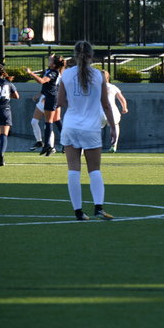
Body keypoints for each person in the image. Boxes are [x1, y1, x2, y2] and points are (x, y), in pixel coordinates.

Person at [58, 41, 116, 221]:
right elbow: (106, 104)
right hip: (91, 128)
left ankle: (78, 212)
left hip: (70, 126)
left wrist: (75, 106)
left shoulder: (66, 74)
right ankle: (98, 208)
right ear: (91, 56)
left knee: (73, 170)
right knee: (94, 170)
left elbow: (60, 102)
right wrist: (113, 127)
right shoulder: (98, 75)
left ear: (75, 55)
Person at [26, 55, 65, 156]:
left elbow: (42, 81)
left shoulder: (53, 72)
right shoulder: (51, 70)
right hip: (49, 96)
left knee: (49, 122)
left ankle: (48, 145)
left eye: (51, 60)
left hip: (51, 98)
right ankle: (48, 144)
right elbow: (47, 86)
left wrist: (31, 73)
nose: (49, 60)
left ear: (54, 64)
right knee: (53, 121)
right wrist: (40, 94)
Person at [102, 70, 128, 153]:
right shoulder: (113, 87)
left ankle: (85, 148)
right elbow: (122, 98)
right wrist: (124, 108)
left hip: (100, 112)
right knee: (115, 126)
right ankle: (114, 145)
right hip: (112, 111)